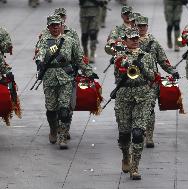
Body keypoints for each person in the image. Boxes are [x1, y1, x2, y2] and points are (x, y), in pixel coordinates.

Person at [35, 15, 99, 149]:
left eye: (58, 25)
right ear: (49, 27)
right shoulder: (44, 41)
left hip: (66, 79)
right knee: (51, 110)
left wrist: (88, 72)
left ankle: (63, 137)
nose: (55, 27)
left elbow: (79, 59)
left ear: (62, 26)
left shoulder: (70, 41)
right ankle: (53, 129)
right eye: (53, 25)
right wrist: (39, 62)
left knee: (64, 109)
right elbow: (39, 53)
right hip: (50, 79)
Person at [114, 27, 155, 180]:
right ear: (125, 40)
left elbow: (153, 77)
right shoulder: (120, 56)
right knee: (124, 134)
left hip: (142, 97)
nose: (136, 40)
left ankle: (135, 167)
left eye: (137, 37)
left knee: (137, 133)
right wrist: (126, 64)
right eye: (132, 38)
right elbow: (118, 72)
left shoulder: (148, 57)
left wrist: (144, 69)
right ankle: (126, 155)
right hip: (124, 97)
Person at [136, 16, 179, 148]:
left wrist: (172, 71)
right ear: (135, 26)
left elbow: (163, 60)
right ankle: (138, 131)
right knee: (137, 109)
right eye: (139, 26)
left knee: (149, 109)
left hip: (151, 82)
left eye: (144, 26)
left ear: (147, 27)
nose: (141, 28)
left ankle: (149, 136)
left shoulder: (153, 43)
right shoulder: (130, 41)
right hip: (134, 82)